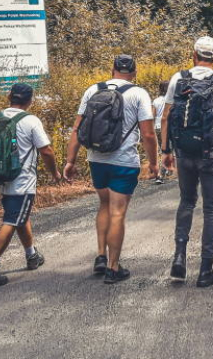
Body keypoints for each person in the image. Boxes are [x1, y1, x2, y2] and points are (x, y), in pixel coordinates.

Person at [64, 55, 158, 284]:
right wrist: (154, 162)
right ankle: (113, 268)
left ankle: (100, 255)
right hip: (123, 161)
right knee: (118, 212)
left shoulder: (92, 90)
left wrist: (70, 160)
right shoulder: (138, 93)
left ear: (112, 69)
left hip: (96, 159)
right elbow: (147, 133)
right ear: (134, 73)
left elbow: (77, 128)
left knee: (104, 205)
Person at [160, 36, 213, 288]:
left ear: (193, 54)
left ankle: (179, 259)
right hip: (211, 153)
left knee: (186, 202)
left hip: (184, 151)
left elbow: (165, 116)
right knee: (211, 209)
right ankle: (206, 269)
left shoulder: (178, 78)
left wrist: (166, 150)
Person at [0, 83, 62, 287]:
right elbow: (47, 151)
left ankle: (31, 255)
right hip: (21, 182)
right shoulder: (31, 121)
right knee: (12, 220)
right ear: (30, 100)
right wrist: (55, 173)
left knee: (19, 217)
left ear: (9, 97)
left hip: (2, 179)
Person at [152, 82, 170, 185]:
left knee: (162, 150)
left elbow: (152, 116)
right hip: (167, 127)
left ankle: (166, 170)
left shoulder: (156, 101)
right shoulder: (171, 101)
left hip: (157, 128)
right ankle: (160, 175)